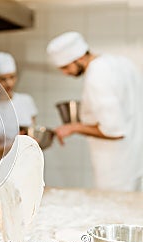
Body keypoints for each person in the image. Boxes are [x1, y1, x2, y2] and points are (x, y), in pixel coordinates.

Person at [46, 31, 143, 192]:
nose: (65, 73)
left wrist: (74, 127)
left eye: (65, 67)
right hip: (134, 161)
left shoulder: (97, 75)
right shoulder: (121, 63)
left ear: (80, 58)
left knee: (113, 214)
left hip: (115, 169)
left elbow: (114, 131)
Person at [0, 51, 38, 167]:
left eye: (12, 77)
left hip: (26, 165)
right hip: (1, 168)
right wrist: (20, 145)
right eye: (3, 79)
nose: (9, 83)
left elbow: (33, 134)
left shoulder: (26, 101)